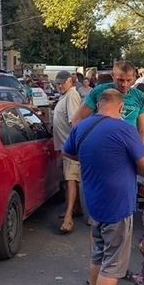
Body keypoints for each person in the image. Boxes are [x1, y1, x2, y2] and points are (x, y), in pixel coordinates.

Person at [63, 89, 144, 285]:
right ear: (121, 107)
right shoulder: (124, 129)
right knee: (113, 262)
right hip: (117, 203)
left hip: (94, 201)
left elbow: (67, 151)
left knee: (99, 255)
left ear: (98, 105)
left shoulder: (81, 127)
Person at [72, 60, 144, 147]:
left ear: (135, 77)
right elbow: (77, 119)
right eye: (120, 80)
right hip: (102, 148)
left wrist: (142, 152)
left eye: (129, 80)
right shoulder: (99, 91)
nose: (124, 84)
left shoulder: (138, 96)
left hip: (129, 149)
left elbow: (142, 130)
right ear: (113, 75)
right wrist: (83, 145)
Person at [53, 70, 83, 234]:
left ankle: (69, 218)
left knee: (71, 180)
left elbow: (75, 123)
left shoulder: (71, 95)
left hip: (70, 146)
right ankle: (75, 208)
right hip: (65, 146)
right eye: (57, 83)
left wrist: (72, 146)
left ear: (70, 81)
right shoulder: (65, 95)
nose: (59, 85)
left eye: (61, 83)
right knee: (69, 179)